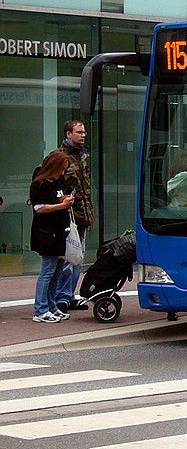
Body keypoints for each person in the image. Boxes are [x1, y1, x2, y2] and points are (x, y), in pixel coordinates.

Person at [29, 151, 76, 323]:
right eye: (61, 169)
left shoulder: (56, 183)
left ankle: (51, 305)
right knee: (47, 271)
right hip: (46, 233)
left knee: (57, 271)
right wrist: (60, 205)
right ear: (53, 167)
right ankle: (40, 309)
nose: (62, 173)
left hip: (59, 231)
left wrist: (64, 199)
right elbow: (39, 208)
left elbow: (56, 200)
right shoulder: (39, 184)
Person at [54, 120, 92, 312]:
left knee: (78, 258)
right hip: (69, 215)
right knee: (68, 258)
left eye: (84, 132)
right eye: (79, 132)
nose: (83, 135)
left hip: (82, 214)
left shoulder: (82, 156)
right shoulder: (59, 157)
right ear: (69, 134)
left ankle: (69, 295)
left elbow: (85, 188)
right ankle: (61, 296)